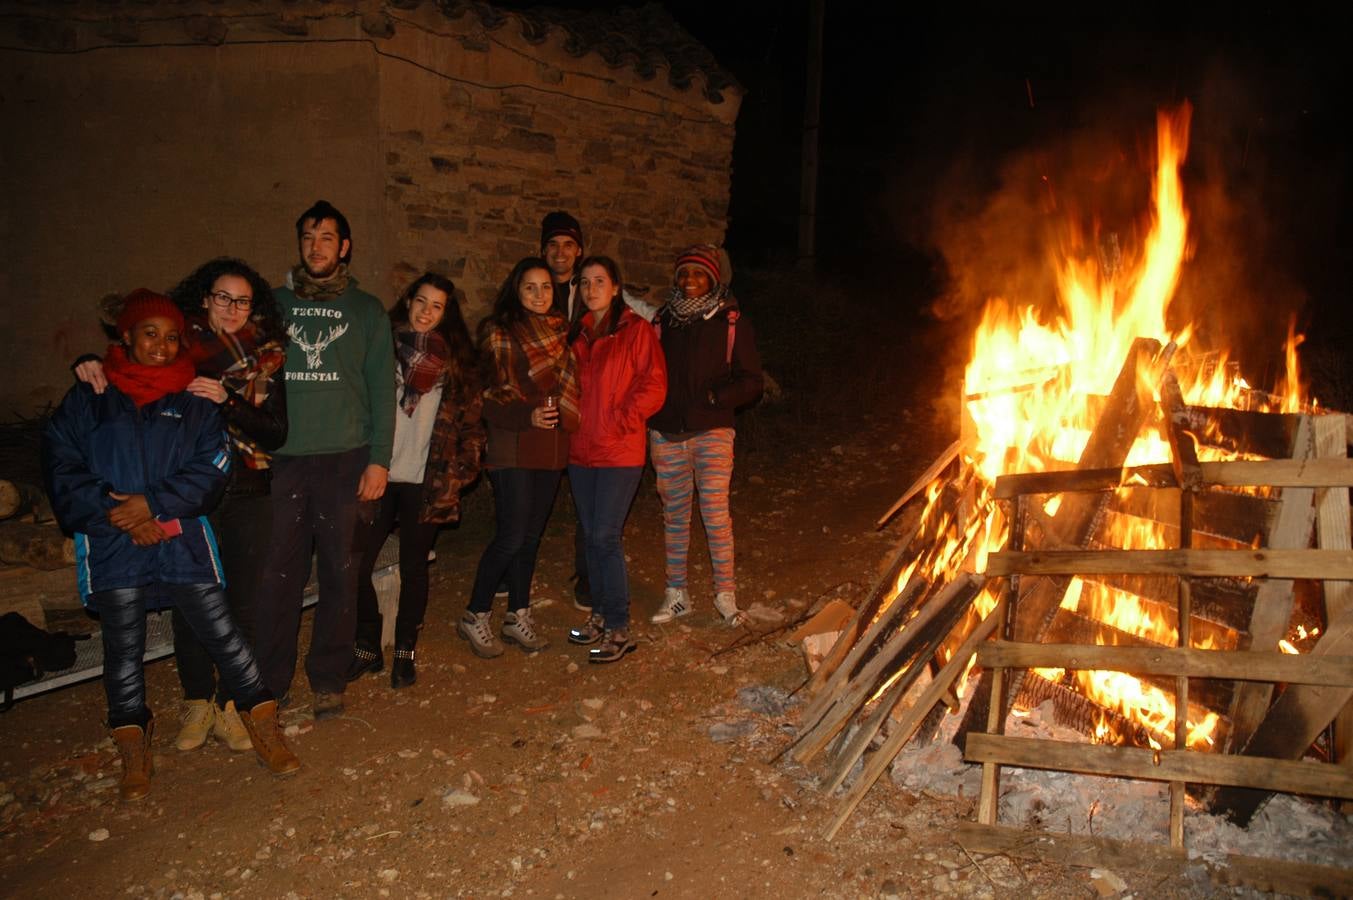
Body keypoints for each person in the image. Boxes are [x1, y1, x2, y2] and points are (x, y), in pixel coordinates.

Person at [43, 289, 299, 801]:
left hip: (180, 538)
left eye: (170, 337)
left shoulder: (192, 399)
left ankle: (262, 724)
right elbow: (61, 466)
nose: (161, 345)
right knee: (123, 648)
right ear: (126, 337)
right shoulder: (90, 397)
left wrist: (153, 503)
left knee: (224, 635)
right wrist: (119, 511)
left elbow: (212, 467)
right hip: (112, 539)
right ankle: (134, 747)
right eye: (149, 334)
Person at [252, 200, 396, 719]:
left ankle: (329, 677)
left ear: (344, 247)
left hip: (346, 460)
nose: (317, 246)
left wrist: (380, 460)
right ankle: (269, 678)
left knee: (342, 570)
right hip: (284, 461)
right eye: (309, 237)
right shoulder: (271, 305)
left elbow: (383, 388)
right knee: (278, 575)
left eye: (327, 237)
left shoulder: (367, 311)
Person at [346, 272, 485, 688]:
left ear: (446, 314)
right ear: (407, 301)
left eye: (437, 306)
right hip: (379, 474)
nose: (426, 312)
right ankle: (368, 646)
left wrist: (458, 474)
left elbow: (473, 429)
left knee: (413, 568)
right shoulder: (378, 349)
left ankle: (404, 651)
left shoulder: (455, 364)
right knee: (354, 563)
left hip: (426, 480)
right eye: (421, 301)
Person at [459, 257, 580, 658]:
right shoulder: (498, 333)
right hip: (512, 443)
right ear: (516, 289)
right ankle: (475, 613)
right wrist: (525, 414)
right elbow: (485, 399)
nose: (540, 295)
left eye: (546, 287)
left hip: (550, 446)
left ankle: (517, 615)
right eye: (530, 287)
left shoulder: (562, 333)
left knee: (530, 538)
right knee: (511, 534)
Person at [647, 245, 763, 626]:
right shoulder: (663, 321)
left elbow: (752, 381)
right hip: (666, 432)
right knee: (675, 517)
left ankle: (725, 596)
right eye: (683, 274)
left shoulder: (731, 321)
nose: (689, 280)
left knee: (715, 514)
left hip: (712, 429)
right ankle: (676, 594)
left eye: (698, 274)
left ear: (713, 278)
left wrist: (718, 397)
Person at [564, 257, 666, 662]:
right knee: (591, 536)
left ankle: (620, 627)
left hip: (619, 450)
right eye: (585, 282)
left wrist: (623, 418)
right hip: (581, 451)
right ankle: (602, 617)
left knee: (605, 535)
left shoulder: (635, 331)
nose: (591, 289)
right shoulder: (579, 335)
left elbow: (655, 384)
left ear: (616, 287)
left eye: (599, 281)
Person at [539, 211, 593, 611]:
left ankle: (588, 575)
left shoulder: (588, 289)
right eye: (553, 245)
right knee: (531, 493)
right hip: (541, 407)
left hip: (583, 405)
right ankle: (512, 567)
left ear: (579, 251)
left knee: (588, 497)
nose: (561, 253)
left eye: (568, 245)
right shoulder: (532, 287)